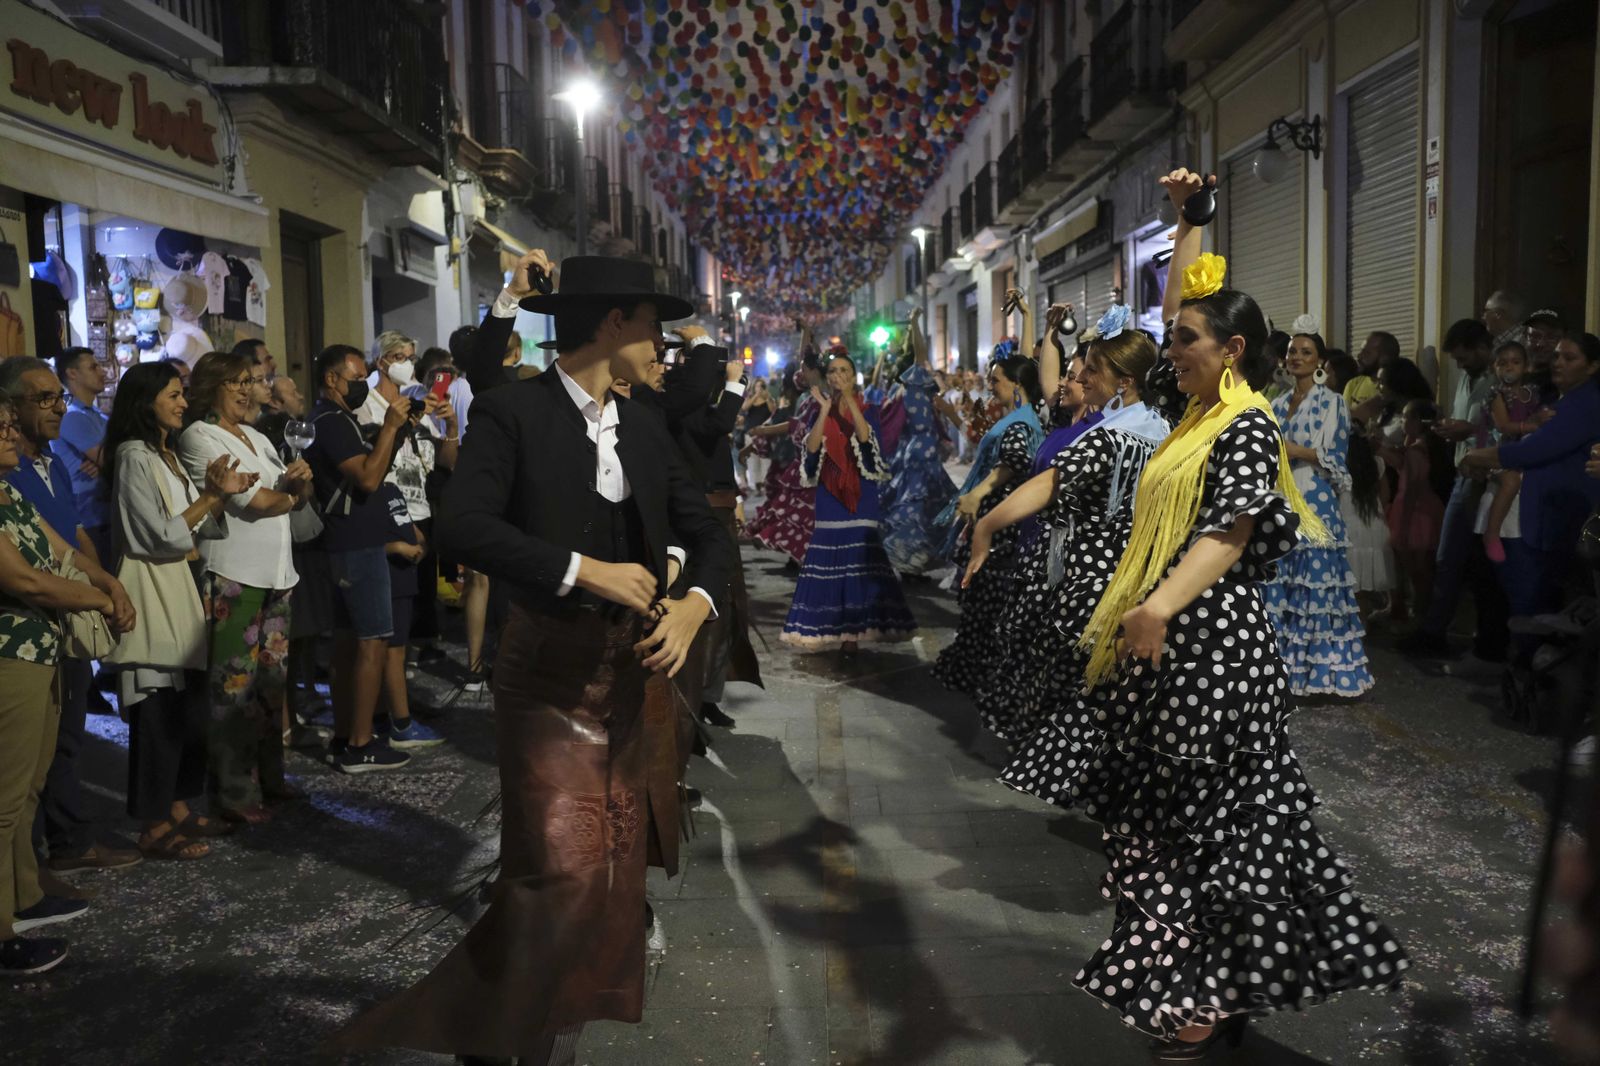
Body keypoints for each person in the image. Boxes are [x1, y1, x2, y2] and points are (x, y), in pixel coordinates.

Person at [1004, 182, 1408, 1053]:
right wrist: (1191, 225)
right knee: (1158, 828)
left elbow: (1231, 533)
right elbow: (1175, 307)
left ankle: (1208, 989)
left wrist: (1155, 604)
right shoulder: (1195, 412)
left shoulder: (1246, 428)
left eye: (1185, 340)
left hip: (1213, 655)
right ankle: (1193, 982)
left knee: (1210, 833)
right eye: (1173, 336)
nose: (1167, 348)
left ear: (1230, 352)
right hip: (1169, 653)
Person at [332, 255, 730, 1064]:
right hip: (545, 680)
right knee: (564, 877)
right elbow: (465, 527)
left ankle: (534, 1035)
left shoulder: (646, 424)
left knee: (607, 883)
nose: (666, 346)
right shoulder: (514, 413)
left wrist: (693, 602)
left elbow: (708, 526)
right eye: (655, 326)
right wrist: (584, 571)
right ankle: (479, 1034)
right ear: (613, 324)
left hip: (624, 682)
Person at [967, 309, 1168, 743]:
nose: (1082, 378)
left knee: (1069, 680)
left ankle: (1065, 761)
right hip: (1142, 572)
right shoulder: (1162, 427)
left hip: (1091, 579)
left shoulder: (1108, 437)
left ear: (1125, 381)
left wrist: (986, 526)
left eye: (1092, 370)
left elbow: (1049, 484)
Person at [0, 387, 136, 976]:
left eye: (11, 425)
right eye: (1, 427)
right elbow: (27, 582)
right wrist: (97, 601)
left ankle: (25, 896)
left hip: (40, 649)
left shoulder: (6, 489)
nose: (12, 435)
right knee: (4, 800)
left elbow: (59, 549)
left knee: (28, 787)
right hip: (10, 654)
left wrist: (108, 581)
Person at [105, 362, 253, 860]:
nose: (183, 403)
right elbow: (161, 533)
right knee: (158, 715)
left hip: (182, 587)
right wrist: (210, 497)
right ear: (145, 400)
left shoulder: (162, 454)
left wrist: (217, 494)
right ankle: (152, 822)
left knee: (186, 713)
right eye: (173, 394)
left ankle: (178, 805)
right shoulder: (132, 457)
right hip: (154, 592)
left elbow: (199, 527)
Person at [178, 352, 312, 823]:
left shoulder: (257, 436)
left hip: (278, 575)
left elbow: (289, 498)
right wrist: (289, 494)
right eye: (234, 383)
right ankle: (233, 794)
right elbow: (256, 502)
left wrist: (300, 485)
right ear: (211, 388)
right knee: (231, 690)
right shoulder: (200, 436)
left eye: (247, 382)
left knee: (272, 687)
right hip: (235, 575)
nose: (244, 390)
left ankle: (271, 779)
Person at [303, 344, 412, 773]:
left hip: (350, 541)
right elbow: (368, 477)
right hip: (355, 543)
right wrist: (387, 427)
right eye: (355, 378)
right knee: (372, 642)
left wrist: (397, 431)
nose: (363, 386)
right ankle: (362, 744)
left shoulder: (334, 419)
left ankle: (346, 734)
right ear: (332, 379)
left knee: (349, 646)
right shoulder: (330, 420)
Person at [1461, 332, 1600, 664]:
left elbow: (1533, 451)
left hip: (1553, 512)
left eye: (1570, 358)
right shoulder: (1562, 399)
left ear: (1593, 366)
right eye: (1556, 356)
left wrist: (1476, 457)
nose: (1558, 363)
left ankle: (1534, 673)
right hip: (1543, 508)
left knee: (1531, 596)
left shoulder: (1585, 403)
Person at [1261, 323, 1374, 697]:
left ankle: (1321, 676)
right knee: (1283, 583)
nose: (1296, 357)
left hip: (1316, 499)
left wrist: (1297, 451)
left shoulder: (1333, 402)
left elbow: (1337, 457)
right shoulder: (1276, 403)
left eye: (1305, 352)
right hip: (1281, 500)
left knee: (1316, 587)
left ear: (1320, 361)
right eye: (1293, 351)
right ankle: (1280, 673)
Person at [781, 348, 917, 653]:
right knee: (831, 561)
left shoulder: (869, 407)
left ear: (852, 376)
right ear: (827, 377)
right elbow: (812, 449)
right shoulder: (820, 408)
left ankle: (853, 634)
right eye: (833, 372)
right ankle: (834, 628)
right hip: (829, 493)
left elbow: (868, 439)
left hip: (861, 494)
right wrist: (826, 410)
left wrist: (850, 404)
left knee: (858, 562)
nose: (838, 376)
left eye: (844, 371)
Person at [356, 332, 455, 748]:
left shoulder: (419, 404)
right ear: (381, 362)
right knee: (390, 633)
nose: (407, 365)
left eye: (411, 358)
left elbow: (444, 465)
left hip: (422, 515)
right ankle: (396, 718)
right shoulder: (369, 407)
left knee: (409, 622)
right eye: (399, 357)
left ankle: (396, 706)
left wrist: (448, 425)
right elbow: (374, 471)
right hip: (392, 520)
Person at [930, 354, 1042, 693]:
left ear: (1017, 384)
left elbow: (1012, 462)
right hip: (1001, 520)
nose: (990, 386)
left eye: (996, 380)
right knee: (982, 603)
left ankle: (986, 678)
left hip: (1003, 526)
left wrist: (979, 493)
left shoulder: (1022, 422)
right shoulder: (1016, 417)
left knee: (986, 604)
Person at [1398, 320, 1507, 660]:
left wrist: (1468, 429)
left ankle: (1479, 638)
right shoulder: (1466, 380)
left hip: (1489, 477)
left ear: (1483, 349)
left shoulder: (1500, 381)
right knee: (1449, 558)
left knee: (1477, 564)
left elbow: (1504, 431)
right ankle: (1435, 630)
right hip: (1464, 473)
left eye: (1464, 358)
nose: (1460, 365)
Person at [881, 309, 958, 576]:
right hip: (922, 451)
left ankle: (913, 560)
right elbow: (921, 354)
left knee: (915, 504)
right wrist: (913, 322)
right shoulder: (912, 386)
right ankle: (910, 558)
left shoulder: (896, 392)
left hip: (910, 451)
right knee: (920, 505)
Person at [746, 331, 821, 567]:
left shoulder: (820, 397)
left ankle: (804, 555)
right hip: (799, 461)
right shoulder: (807, 398)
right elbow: (793, 424)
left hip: (815, 464)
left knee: (801, 510)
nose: (801, 374)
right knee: (794, 509)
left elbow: (793, 425)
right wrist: (806, 333)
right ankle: (797, 554)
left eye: (805, 370)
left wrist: (763, 432)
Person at [1385, 399, 1452, 625]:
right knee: (1423, 569)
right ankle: (1421, 612)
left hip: (1414, 513)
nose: (1402, 422)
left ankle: (1422, 614)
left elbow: (1412, 488)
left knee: (1418, 571)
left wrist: (1403, 527)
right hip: (1426, 509)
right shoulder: (1425, 446)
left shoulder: (1416, 451)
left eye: (1405, 417)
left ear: (1416, 421)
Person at [1477, 341, 1544, 564]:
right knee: (1511, 481)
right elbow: (1504, 426)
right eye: (1502, 363)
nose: (1509, 367)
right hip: (1497, 451)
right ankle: (1492, 533)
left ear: (1527, 366)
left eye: (1516, 362)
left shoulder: (1532, 393)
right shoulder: (1497, 394)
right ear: (1493, 367)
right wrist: (1531, 426)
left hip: (1521, 450)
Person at [50, 348, 113, 563]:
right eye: (93, 367)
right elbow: (113, 459)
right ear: (72, 373)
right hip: (88, 520)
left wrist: (104, 460)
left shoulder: (99, 415)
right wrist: (105, 460)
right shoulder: (71, 416)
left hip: (104, 513)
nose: (102, 372)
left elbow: (112, 455)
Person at [1340, 429, 1394, 619]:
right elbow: (1386, 495)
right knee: (1364, 586)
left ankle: (1356, 632)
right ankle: (1364, 627)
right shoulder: (1377, 463)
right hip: (1375, 528)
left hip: (1349, 530)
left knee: (1351, 588)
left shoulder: (1338, 467)